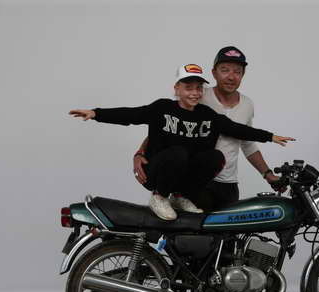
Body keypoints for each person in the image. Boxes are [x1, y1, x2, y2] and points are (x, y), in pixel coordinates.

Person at [69, 63, 294, 220]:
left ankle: (180, 196)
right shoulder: (162, 108)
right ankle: (159, 197)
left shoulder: (207, 115)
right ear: (176, 89)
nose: (194, 93)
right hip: (157, 173)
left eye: (198, 88)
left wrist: (269, 136)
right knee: (179, 152)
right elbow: (131, 115)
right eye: (188, 88)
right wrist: (96, 113)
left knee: (215, 157)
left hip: (185, 178)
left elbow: (236, 129)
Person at [133, 46, 282, 212]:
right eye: (225, 70)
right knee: (191, 228)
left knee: (231, 228)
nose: (231, 76)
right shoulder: (199, 95)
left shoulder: (247, 104)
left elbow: (247, 143)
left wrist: (267, 174)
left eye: (237, 71)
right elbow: (166, 125)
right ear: (214, 73)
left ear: (243, 75)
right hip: (198, 181)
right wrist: (140, 153)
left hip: (229, 184)